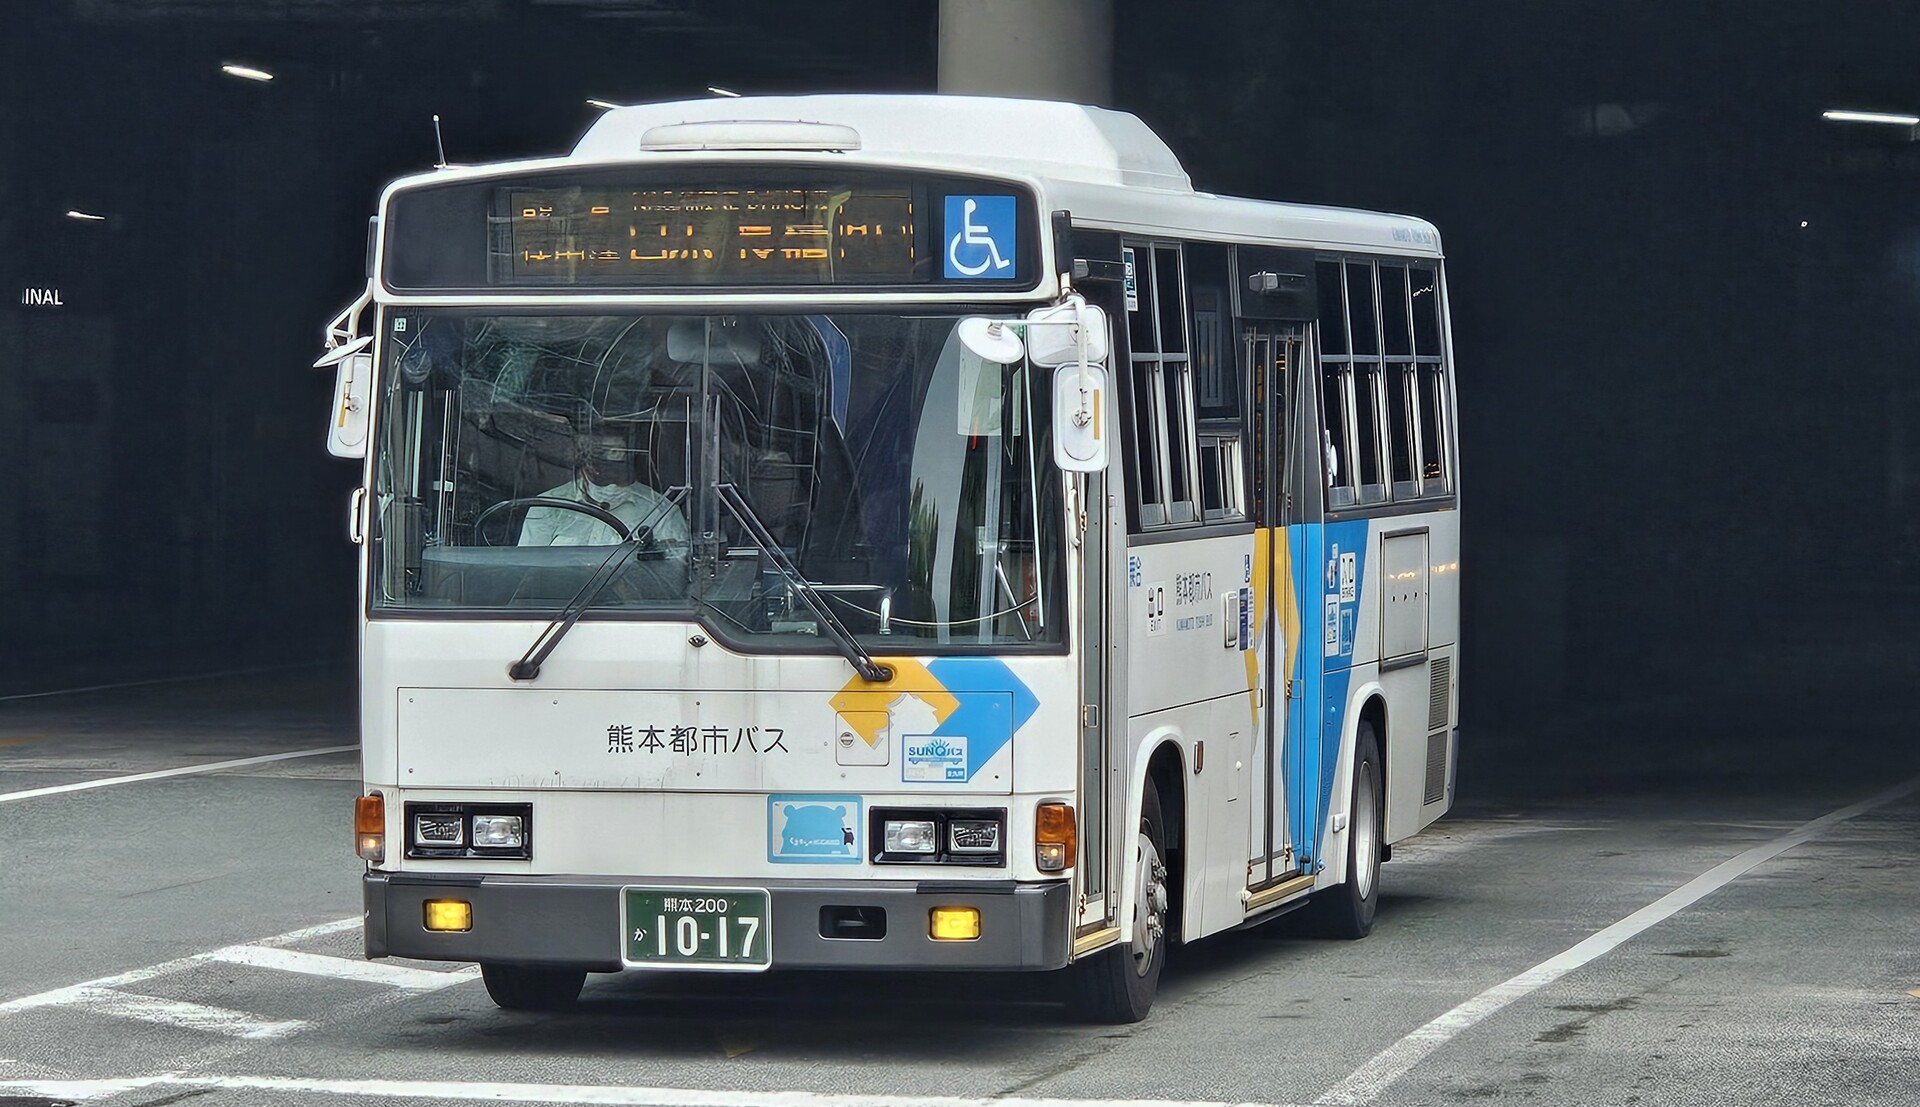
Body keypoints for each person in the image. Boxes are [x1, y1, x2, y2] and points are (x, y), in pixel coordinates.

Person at [517, 432, 690, 552]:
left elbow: (673, 575)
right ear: (586, 465)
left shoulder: (661, 511)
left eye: (618, 470)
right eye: (603, 468)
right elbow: (527, 570)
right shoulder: (548, 505)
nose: (611, 478)